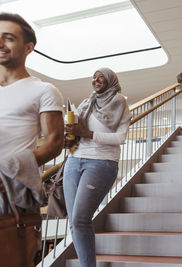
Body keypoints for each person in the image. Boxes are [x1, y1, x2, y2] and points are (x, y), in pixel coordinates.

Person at [63, 68, 132, 267]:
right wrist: (70, 137)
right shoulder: (86, 103)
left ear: (110, 80)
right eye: (94, 76)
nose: (96, 79)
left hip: (101, 162)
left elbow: (120, 138)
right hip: (74, 160)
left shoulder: (119, 102)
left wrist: (85, 132)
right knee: (74, 223)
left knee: (80, 219)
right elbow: (77, 133)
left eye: (100, 76)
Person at [0, 12, 64, 165]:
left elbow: (54, 144)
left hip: (14, 185)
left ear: (28, 48)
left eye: (8, 38)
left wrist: (11, 171)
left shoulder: (45, 90)